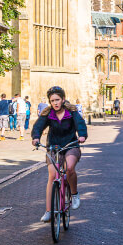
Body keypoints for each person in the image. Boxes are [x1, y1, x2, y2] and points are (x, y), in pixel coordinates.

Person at [32, 86, 88, 223]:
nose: (55, 103)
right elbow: (38, 126)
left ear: (63, 99)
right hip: (54, 146)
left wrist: (82, 136)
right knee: (52, 175)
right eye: (52, 101)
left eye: (57, 100)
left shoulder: (72, 112)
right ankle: (49, 211)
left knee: (69, 168)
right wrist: (36, 137)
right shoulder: (48, 113)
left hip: (71, 145)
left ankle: (74, 194)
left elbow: (80, 124)